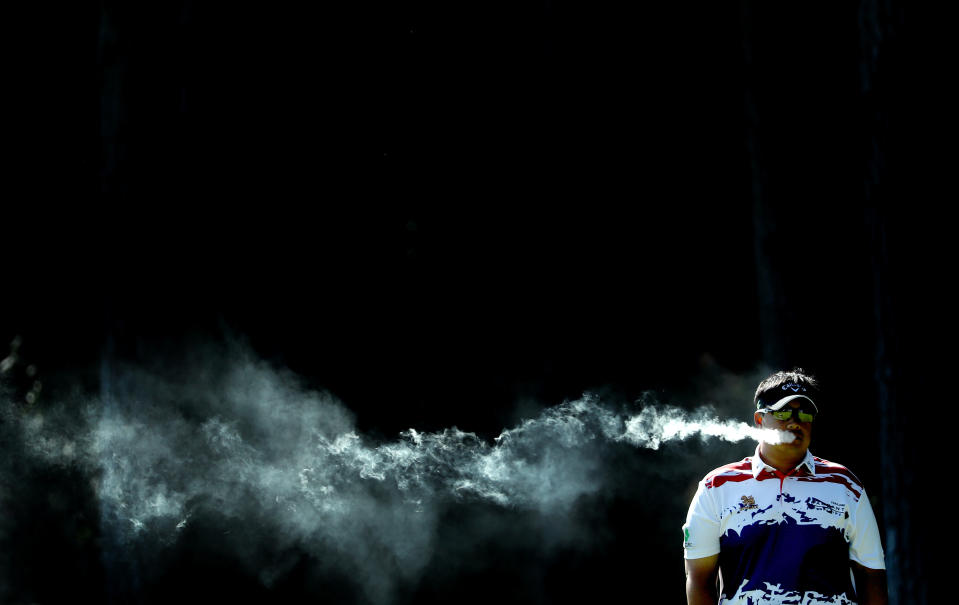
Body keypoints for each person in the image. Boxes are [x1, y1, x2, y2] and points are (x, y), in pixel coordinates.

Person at [682, 369, 888, 604]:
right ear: (759, 420)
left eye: (805, 414)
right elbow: (699, 581)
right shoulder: (716, 486)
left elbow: (871, 575)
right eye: (783, 412)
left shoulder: (844, 484)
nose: (795, 422)